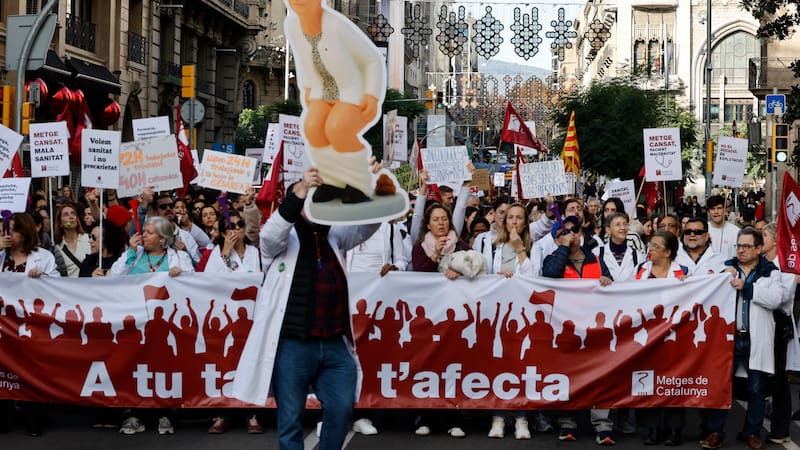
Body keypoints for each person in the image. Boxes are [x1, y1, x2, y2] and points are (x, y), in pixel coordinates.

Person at [231, 167, 380, 450]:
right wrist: (300, 189)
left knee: (341, 408)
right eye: (310, 199)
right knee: (290, 421)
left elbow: (367, 226)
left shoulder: (335, 236)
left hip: (335, 343)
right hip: (294, 345)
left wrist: (369, 185)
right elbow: (271, 233)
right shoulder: (280, 242)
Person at [286, 0, 386, 206]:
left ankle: (359, 183)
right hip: (321, 93)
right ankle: (332, 181)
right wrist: (307, 87)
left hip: (352, 93)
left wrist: (371, 95)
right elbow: (303, 61)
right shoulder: (293, 26)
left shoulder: (336, 25)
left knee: (337, 128)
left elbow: (371, 60)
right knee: (312, 127)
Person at [107, 216, 193, 435]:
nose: (142, 235)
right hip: (134, 324)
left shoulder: (179, 257)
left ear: (162, 238)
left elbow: (193, 286)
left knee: (162, 367)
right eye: (143, 231)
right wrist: (129, 252)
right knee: (135, 367)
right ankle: (134, 413)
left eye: (149, 232)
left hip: (164, 326)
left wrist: (182, 275)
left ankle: (165, 412)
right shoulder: (134, 255)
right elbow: (114, 277)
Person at [701, 228, 783, 450]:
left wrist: (746, 287)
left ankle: (752, 433)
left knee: (756, 388)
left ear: (759, 248)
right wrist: (721, 275)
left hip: (755, 338)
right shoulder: (727, 268)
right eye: (739, 246)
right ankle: (715, 432)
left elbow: (776, 299)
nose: (741, 250)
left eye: (747, 246)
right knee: (722, 386)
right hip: (729, 338)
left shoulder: (770, 272)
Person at [542, 215, 615, 445]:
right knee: (568, 375)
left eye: (574, 230)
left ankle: (602, 425)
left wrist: (606, 281)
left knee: (600, 376)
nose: (571, 235)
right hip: (566, 329)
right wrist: (564, 249)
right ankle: (568, 421)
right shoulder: (552, 259)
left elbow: (612, 287)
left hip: (595, 329)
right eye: (564, 232)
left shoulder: (596, 260)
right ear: (556, 239)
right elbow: (551, 275)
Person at [0, 212, 60, 436]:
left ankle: (33, 417)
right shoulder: (1, 256)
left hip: (30, 324)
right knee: (3, 372)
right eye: (5, 230)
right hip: (4, 325)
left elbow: (59, 286)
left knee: (30, 371)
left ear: (25, 233)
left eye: (13, 230)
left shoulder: (43, 257)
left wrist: (43, 278)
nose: (8, 234)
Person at [633, 231, 687, 446]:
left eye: (656, 246)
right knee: (649, 379)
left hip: (674, 334)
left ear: (667, 252)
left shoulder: (683, 272)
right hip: (647, 333)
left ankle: (674, 428)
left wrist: (687, 284)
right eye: (650, 244)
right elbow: (626, 293)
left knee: (673, 380)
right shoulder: (641, 270)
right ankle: (652, 427)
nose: (650, 249)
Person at [759, 223, 798, 445]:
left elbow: (781, 298)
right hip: (760, 322)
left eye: (764, 235)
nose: (760, 239)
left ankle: (781, 428)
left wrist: (758, 291)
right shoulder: (760, 263)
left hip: (778, 325)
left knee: (779, 378)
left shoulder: (786, 267)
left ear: (775, 241)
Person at [593, 212, 644, 282]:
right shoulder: (597, 253)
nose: (623, 228)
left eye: (625, 224)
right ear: (608, 230)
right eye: (618, 224)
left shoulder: (638, 256)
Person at [54, 203, 91, 277]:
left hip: (89, 283)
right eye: (66, 214)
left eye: (73, 213)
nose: (71, 217)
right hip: (70, 284)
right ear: (60, 223)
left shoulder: (89, 239)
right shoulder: (58, 248)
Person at [706, 195, 739, 259]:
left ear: (725, 210)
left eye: (719, 208)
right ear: (708, 212)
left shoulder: (736, 232)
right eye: (712, 209)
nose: (716, 212)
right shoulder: (702, 230)